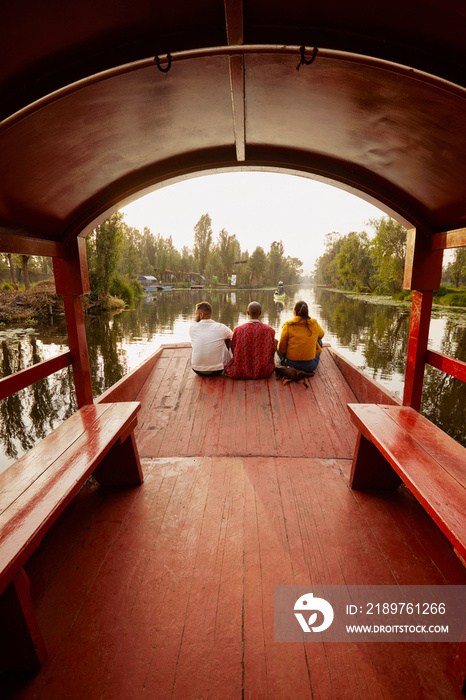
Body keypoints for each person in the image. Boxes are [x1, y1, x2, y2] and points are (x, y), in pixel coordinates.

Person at [224, 301, 276, 379]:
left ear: (248, 313)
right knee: (275, 341)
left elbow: (233, 346)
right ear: (260, 313)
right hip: (263, 371)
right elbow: (272, 348)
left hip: (241, 368)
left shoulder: (238, 330)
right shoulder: (269, 330)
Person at [277, 300, 325, 373]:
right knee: (319, 340)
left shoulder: (288, 326)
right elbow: (321, 335)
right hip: (310, 366)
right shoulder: (314, 324)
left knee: (278, 344)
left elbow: (281, 350)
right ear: (307, 312)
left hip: (290, 364)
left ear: (294, 313)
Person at [188, 301, 233, 376]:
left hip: (197, 369)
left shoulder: (192, 328)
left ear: (201, 315)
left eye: (196, 314)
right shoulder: (221, 327)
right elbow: (235, 337)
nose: (195, 317)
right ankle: (233, 364)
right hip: (217, 370)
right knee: (228, 339)